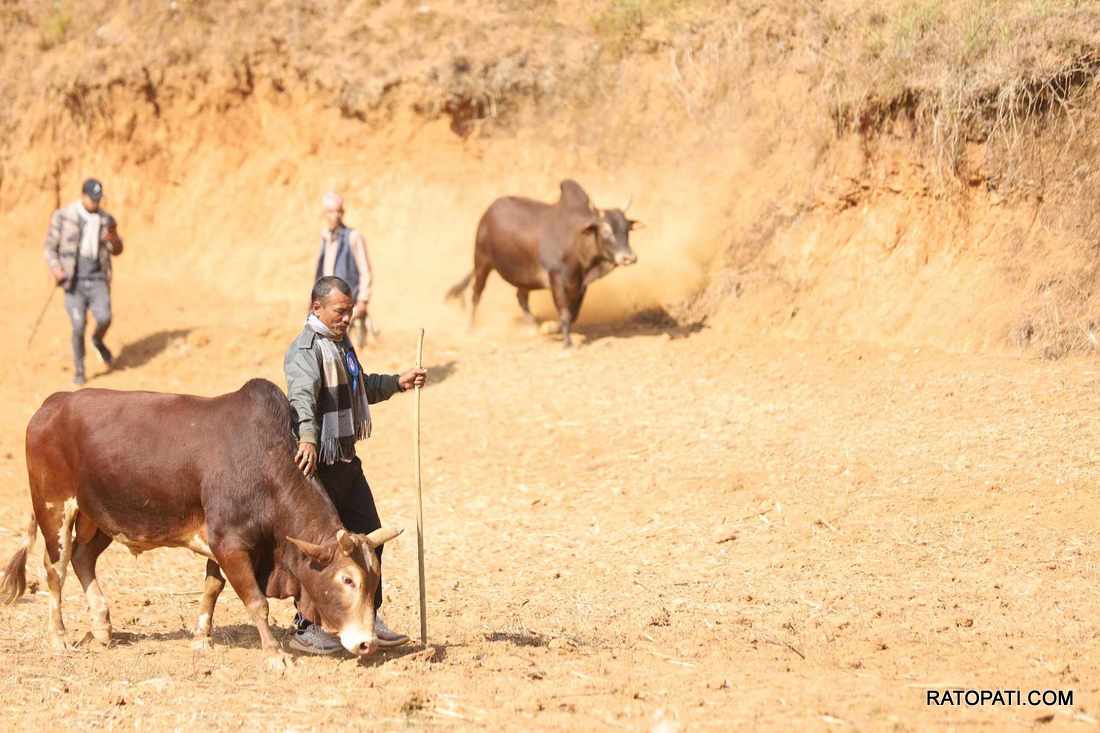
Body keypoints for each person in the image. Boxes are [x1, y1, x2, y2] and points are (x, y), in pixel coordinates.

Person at [283, 275, 427, 654]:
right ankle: (305, 626)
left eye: (349, 312)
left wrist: (398, 382)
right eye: (340, 311)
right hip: (320, 466)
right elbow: (301, 399)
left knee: (369, 540)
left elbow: (359, 386)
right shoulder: (305, 350)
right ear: (317, 308)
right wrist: (309, 439)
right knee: (322, 551)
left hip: (347, 461)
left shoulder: (341, 346)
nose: (347, 318)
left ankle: (369, 616)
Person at [44, 178, 124, 386]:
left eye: (99, 199)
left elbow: (117, 251)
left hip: (98, 278)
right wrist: (56, 268)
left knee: (105, 317)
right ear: (83, 196)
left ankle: (97, 340)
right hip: (74, 280)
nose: (96, 203)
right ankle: (80, 368)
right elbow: (49, 247)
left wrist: (114, 238)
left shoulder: (107, 220)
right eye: (93, 199)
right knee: (78, 324)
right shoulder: (64, 217)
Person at [316, 191, 377, 348]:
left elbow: (365, 270)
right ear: (324, 214)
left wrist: (363, 300)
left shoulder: (353, 237)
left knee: (349, 351)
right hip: (328, 303)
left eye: (338, 211)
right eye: (330, 212)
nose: (335, 216)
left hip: (349, 304)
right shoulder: (324, 237)